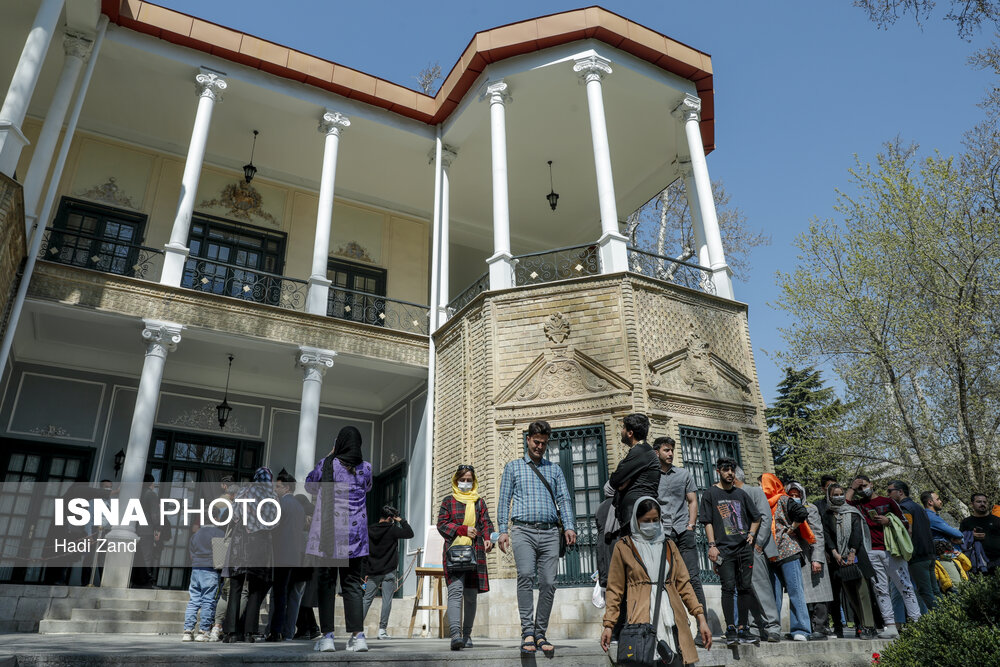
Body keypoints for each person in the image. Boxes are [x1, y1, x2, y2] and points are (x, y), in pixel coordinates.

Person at [496, 420, 577, 657]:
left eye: (543, 443)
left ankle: (540, 633)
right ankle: (527, 632)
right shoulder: (513, 467)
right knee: (525, 577)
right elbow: (504, 500)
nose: (540, 447)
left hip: (551, 532)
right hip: (522, 531)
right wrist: (502, 530)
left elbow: (564, 499)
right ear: (528, 439)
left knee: (549, 582)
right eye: (536, 442)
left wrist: (569, 526)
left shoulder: (554, 469)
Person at [600, 497, 712, 665]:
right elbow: (614, 589)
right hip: (641, 621)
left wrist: (701, 619)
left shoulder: (669, 545)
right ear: (636, 520)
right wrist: (609, 625)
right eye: (646, 520)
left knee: (677, 660)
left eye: (655, 520)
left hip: (673, 619)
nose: (651, 524)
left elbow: (684, 584)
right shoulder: (624, 546)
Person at [305, 426, 373, 653]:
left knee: (326, 584)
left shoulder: (329, 465)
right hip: (355, 537)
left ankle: (327, 637)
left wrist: (329, 454)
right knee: (352, 585)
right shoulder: (366, 469)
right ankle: (358, 636)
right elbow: (368, 487)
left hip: (329, 535)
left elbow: (309, 484)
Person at [845, 475, 920, 638]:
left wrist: (888, 521)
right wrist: (852, 488)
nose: (862, 489)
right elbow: (845, 504)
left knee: (905, 586)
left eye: (864, 485)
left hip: (892, 551)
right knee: (880, 589)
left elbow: (905, 523)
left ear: (872, 484)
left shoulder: (888, 501)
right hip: (871, 552)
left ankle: (917, 622)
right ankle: (890, 625)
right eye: (859, 488)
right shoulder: (859, 505)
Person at [699, 456, 762, 647]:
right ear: (718, 471)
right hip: (724, 549)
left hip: (744, 548)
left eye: (732, 470)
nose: (730, 473)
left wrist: (751, 533)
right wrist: (712, 546)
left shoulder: (741, 494)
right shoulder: (710, 494)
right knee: (728, 587)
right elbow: (707, 522)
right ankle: (731, 628)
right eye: (726, 470)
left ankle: (744, 628)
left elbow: (756, 517)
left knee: (745, 587)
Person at [437, 464, 495, 651]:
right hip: (454, 553)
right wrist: (461, 529)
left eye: (469, 480)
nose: (465, 483)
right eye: (462, 480)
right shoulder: (448, 501)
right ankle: (455, 635)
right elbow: (441, 524)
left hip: (475, 552)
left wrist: (488, 538)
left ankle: (467, 635)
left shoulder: (479, 501)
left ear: (474, 481)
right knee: (455, 592)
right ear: (456, 480)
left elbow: (487, 523)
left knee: (470, 596)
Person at [222, 467, 278, 643]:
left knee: (235, 588)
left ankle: (230, 632)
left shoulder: (243, 492)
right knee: (255, 589)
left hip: (240, 541)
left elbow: (233, 515)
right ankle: (249, 633)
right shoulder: (272, 496)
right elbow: (274, 523)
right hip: (260, 543)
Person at [652, 437, 705, 613]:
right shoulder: (650, 476)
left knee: (693, 578)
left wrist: (691, 525)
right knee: (665, 579)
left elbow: (692, 501)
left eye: (672, 450)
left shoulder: (684, 475)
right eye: (666, 450)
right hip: (661, 534)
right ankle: (674, 628)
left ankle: (701, 623)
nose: (670, 453)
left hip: (684, 531)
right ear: (656, 452)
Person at [761, 474, 814, 642]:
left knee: (795, 591)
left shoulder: (783, 499)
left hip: (788, 551)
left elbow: (801, 512)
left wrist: (792, 528)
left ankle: (801, 629)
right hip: (771, 554)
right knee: (773, 595)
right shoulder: (763, 504)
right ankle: (773, 628)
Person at [822, 484, 878, 640]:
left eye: (841, 494)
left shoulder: (853, 512)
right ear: (829, 496)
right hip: (839, 560)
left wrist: (852, 552)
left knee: (863, 593)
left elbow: (857, 533)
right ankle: (861, 624)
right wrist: (835, 553)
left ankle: (868, 626)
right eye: (835, 494)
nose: (839, 497)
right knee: (851, 596)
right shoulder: (827, 515)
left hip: (857, 557)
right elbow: (827, 536)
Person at [732, 467, 781, 643]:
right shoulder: (729, 495)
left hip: (754, 548)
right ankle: (755, 627)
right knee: (746, 589)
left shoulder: (753, 492)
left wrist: (759, 542)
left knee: (761, 587)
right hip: (737, 550)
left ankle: (773, 627)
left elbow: (765, 517)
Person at [787, 481, 833, 640]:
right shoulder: (786, 511)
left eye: (797, 495)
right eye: (791, 495)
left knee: (819, 593)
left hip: (812, 555)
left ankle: (820, 628)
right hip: (796, 557)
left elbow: (818, 535)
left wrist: (817, 559)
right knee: (801, 595)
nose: (794, 498)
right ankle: (805, 628)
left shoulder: (810, 509)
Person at [363, 504, 414, 639]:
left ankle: (357, 629)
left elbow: (363, 552)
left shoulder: (369, 530)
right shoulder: (393, 530)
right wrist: (401, 520)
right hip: (389, 571)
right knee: (387, 601)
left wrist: (365, 570)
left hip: (373, 570)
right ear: (391, 518)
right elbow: (410, 533)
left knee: (367, 599)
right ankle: (382, 630)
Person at [886, 480, 936, 612]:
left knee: (926, 592)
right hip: (929, 554)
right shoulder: (918, 507)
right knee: (935, 591)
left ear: (900, 492)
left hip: (918, 556)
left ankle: (942, 621)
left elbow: (908, 530)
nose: (888, 495)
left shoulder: (905, 508)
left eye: (890, 491)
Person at [607, 413, 660, 535]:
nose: (621, 431)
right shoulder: (641, 451)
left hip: (639, 516)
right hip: (635, 515)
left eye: (623, 428)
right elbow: (619, 483)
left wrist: (624, 480)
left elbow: (615, 480)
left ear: (630, 433)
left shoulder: (641, 452)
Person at [268, 472, 305, 642]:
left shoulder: (281, 504)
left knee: (278, 594)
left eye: (278, 486)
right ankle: (289, 632)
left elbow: (274, 530)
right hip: (296, 555)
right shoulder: (299, 506)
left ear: (287, 487)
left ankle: (275, 631)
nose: (276, 489)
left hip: (281, 553)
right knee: (293, 596)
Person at [183, 519, 223, 642]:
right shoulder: (219, 533)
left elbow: (191, 554)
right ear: (217, 519)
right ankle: (203, 631)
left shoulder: (196, 535)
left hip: (196, 569)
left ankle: (188, 631)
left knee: (194, 600)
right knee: (208, 600)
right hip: (210, 569)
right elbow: (222, 555)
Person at [959, 492, 1000, 574]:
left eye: (985, 502)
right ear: (972, 504)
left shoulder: (997, 520)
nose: (982, 504)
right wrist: (971, 536)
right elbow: (959, 540)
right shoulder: (966, 522)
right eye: (979, 502)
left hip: (997, 561)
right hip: (977, 563)